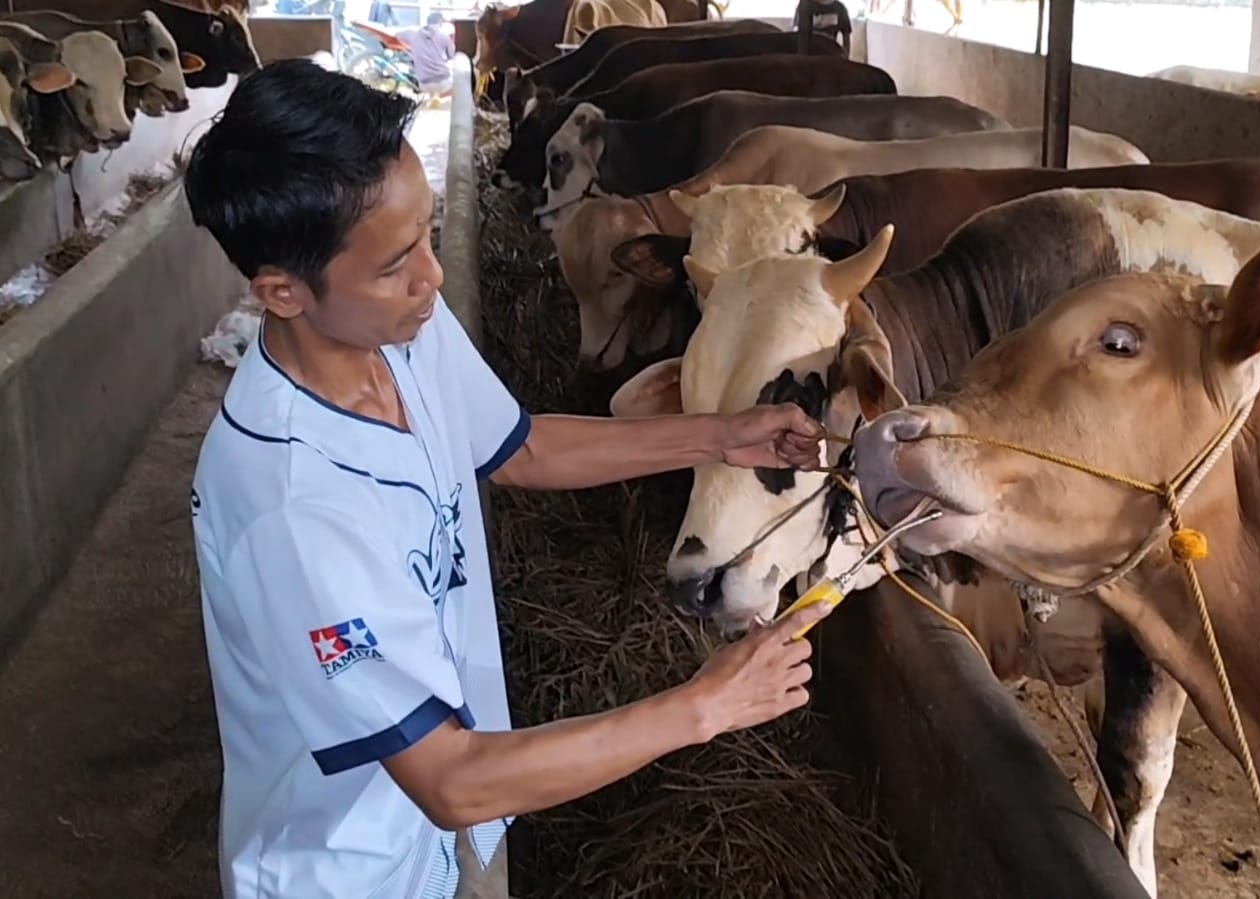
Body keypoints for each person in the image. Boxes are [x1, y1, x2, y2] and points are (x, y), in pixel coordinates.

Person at [184, 59, 834, 899]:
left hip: (465, 814)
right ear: (281, 292)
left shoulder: (398, 331)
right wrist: (701, 706)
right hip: (355, 869)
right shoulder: (292, 507)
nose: (433, 275)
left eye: (427, 234)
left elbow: (521, 448)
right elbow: (449, 779)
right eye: (394, 263)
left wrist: (720, 436)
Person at [398, 11, 455, 100]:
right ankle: (439, 97)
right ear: (440, 24)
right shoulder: (444, 37)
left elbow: (395, 36)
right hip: (443, 82)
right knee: (460, 85)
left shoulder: (412, 34)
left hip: (423, 83)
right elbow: (451, 56)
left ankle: (433, 97)